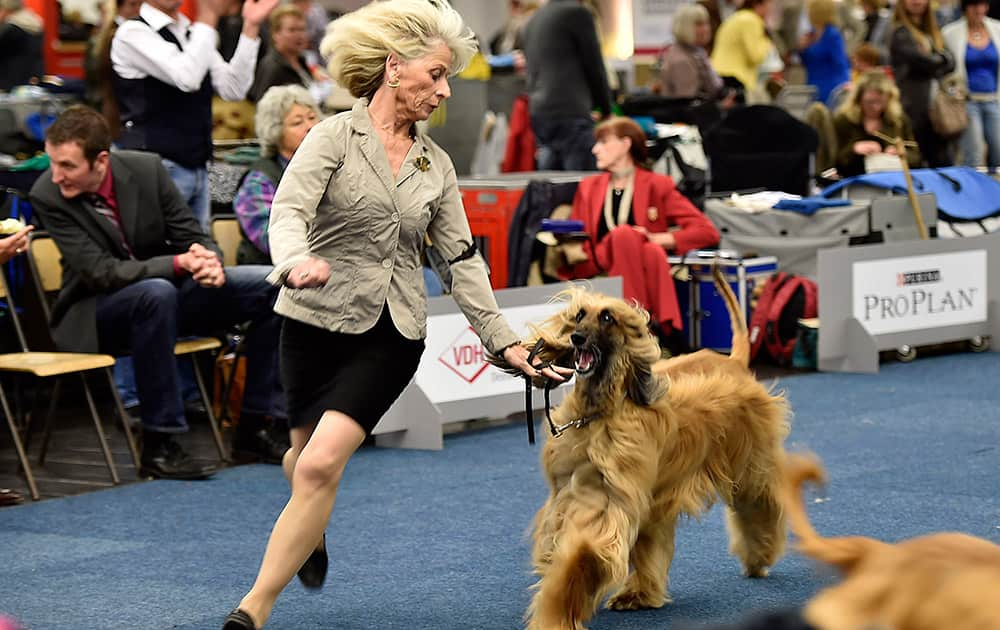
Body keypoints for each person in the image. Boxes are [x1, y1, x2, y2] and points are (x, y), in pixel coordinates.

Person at [221, 2, 571, 628]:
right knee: (304, 464)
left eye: (447, 80)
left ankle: (253, 610)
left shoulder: (435, 165)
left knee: (322, 463)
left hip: (391, 330)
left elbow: (461, 260)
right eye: (434, 75)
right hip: (309, 321)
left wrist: (505, 344)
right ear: (392, 68)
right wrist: (293, 260)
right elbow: (288, 213)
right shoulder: (331, 136)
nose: (442, 91)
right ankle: (311, 528)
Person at [29, 105, 287, 480]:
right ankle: (159, 442)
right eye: (53, 163)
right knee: (156, 292)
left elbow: (192, 234)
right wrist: (180, 264)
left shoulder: (146, 170)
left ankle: (257, 425)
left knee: (271, 285)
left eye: (67, 165)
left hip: (165, 296)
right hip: (96, 312)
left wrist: (209, 261)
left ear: (101, 160)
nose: (56, 175)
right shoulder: (48, 195)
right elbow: (101, 272)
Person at [110, 0, 279, 231]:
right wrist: (208, 17)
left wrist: (250, 27)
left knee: (199, 254)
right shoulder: (132, 32)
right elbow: (187, 78)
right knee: (166, 252)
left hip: (197, 164)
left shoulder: (191, 31)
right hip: (155, 165)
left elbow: (233, 88)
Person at [559, 117, 720, 354]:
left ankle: (634, 328)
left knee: (650, 250)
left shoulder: (658, 185)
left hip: (643, 263)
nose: (595, 149)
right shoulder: (589, 187)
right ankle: (650, 328)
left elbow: (707, 231)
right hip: (598, 260)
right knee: (625, 235)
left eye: (603, 142)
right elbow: (579, 238)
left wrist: (657, 239)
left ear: (625, 144)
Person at [520, 0, 613, 171]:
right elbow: (594, 64)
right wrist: (607, 108)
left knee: (550, 186)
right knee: (581, 186)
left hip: (539, 112)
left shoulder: (533, 20)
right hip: (570, 110)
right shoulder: (577, 14)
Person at [234, 85, 319, 265]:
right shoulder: (258, 180)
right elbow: (272, 240)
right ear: (276, 132)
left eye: (312, 118)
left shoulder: (328, 168)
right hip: (272, 273)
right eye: (297, 122)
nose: (310, 127)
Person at [889, 0, 956, 167]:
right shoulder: (900, 32)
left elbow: (952, 62)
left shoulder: (933, 32)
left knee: (943, 161)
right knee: (919, 161)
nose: (916, 1)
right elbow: (921, 61)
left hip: (936, 107)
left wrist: (938, 60)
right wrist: (941, 59)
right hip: (912, 108)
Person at [943, 0, 1000, 171]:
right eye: (974, 6)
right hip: (966, 101)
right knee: (974, 153)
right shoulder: (950, 33)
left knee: (998, 150)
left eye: (983, 5)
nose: (979, 10)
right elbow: (946, 70)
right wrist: (953, 93)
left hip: (994, 99)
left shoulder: (997, 28)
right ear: (965, 8)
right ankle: (974, 193)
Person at [832, 70, 922, 176]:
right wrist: (854, 149)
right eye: (869, 102)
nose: (875, 107)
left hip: (892, 180)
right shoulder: (843, 120)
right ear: (858, 99)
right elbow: (831, 160)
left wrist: (902, 153)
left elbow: (916, 157)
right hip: (853, 180)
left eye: (880, 102)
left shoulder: (898, 120)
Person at [660, 3, 734, 105]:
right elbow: (687, 105)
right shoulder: (681, 60)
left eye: (706, 23)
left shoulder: (696, 52)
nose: (706, 29)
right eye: (699, 24)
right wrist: (721, 106)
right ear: (684, 27)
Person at [711, 0, 778, 95]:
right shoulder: (752, 20)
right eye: (768, 6)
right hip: (735, 77)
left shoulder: (737, 16)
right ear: (757, 5)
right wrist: (767, 41)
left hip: (719, 73)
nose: (770, 10)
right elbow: (755, 56)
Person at [247, 6, 312, 102]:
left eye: (302, 29)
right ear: (275, 34)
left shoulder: (301, 60)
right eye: (292, 30)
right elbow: (263, 107)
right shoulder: (272, 67)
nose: (299, 35)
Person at [798, 0, 852, 104]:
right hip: (813, 85)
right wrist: (801, 49)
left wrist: (846, 84)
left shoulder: (832, 35)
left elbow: (841, 63)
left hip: (830, 87)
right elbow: (807, 60)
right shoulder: (811, 34)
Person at [0, 0, 44, 91]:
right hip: (29, 77)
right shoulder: (33, 21)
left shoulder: (10, 28)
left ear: (6, 9)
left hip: (9, 79)